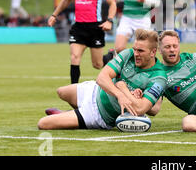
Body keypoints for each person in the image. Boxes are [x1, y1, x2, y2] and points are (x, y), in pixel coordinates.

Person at [37, 29, 167, 130]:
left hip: (98, 114)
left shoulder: (159, 77)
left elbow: (140, 109)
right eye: (135, 49)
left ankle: (75, 117)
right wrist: (119, 94)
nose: (136, 54)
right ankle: (70, 113)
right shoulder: (128, 54)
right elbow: (102, 77)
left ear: (152, 52)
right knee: (61, 91)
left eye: (140, 51)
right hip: (94, 90)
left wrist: (123, 88)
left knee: (43, 123)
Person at [48, 0, 117, 84]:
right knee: (74, 57)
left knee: (97, 64)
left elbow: (113, 3)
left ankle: (110, 56)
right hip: (78, 27)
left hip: (95, 28)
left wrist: (110, 20)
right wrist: (54, 15)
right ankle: (74, 90)